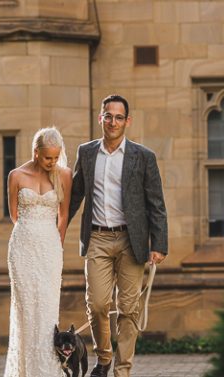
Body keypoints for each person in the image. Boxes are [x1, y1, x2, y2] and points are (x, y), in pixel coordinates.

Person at [68, 94, 168, 377]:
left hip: (131, 241)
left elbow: (156, 203)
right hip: (97, 237)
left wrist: (158, 244)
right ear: (100, 118)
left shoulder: (143, 156)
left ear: (127, 121)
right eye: (108, 116)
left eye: (119, 117)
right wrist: (55, 228)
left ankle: (122, 370)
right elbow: (76, 195)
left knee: (128, 308)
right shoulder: (86, 153)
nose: (113, 122)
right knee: (98, 303)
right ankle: (104, 357)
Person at [4, 127, 72, 377]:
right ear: (36, 152)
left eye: (56, 157)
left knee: (46, 310)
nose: (52, 162)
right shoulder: (16, 175)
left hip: (50, 250)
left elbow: (63, 217)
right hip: (23, 249)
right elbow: (14, 215)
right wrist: (32, 235)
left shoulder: (64, 175)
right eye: (47, 157)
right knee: (26, 310)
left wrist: (56, 244)